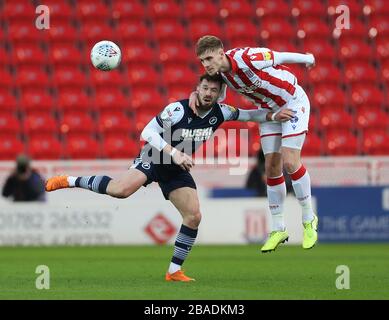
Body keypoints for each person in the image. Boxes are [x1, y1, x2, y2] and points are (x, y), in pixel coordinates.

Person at [45, 73, 294, 281]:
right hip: (155, 157)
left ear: (220, 94)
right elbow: (147, 131)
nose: (208, 92)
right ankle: (69, 181)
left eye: (213, 90)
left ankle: (174, 270)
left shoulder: (222, 112)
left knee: (194, 216)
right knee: (120, 191)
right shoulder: (177, 109)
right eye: (205, 87)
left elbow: (250, 115)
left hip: (176, 169)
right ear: (197, 88)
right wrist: (174, 153)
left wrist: (274, 116)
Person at [192, 35, 318, 252]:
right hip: (271, 113)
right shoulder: (221, 76)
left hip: (293, 102)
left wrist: (307, 58)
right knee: (270, 168)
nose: (207, 64)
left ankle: (308, 218)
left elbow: (278, 56)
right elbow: (215, 99)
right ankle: (279, 228)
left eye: (210, 58)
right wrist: (196, 97)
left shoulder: (247, 57)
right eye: (203, 61)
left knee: (290, 162)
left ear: (221, 53)